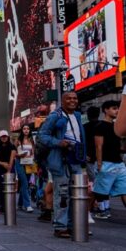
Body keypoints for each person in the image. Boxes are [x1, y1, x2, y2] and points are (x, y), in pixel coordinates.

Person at [37, 92, 87, 238]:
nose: (72, 100)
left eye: (75, 98)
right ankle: (60, 226)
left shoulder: (77, 115)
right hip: (60, 160)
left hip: (76, 159)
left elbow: (79, 136)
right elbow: (42, 135)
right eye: (69, 98)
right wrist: (58, 142)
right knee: (62, 194)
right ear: (63, 101)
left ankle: (72, 224)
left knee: (76, 193)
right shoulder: (55, 116)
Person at [92, 100, 126, 218]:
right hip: (106, 162)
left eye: (117, 108)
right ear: (106, 110)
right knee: (102, 189)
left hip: (119, 163)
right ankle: (103, 211)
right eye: (114, 108)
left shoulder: (117, 126)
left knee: (124, 188)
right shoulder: (100, 126)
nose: (117, 110)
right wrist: (100, 163)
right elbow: (98, 146)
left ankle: (104, 210)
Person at [0, 130, 17, 214]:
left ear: (8, 137)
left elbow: (12, 158)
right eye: (2, 136)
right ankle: (2, 206)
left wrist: (9, 169)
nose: (4, 138)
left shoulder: (12, 146)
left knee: (10, 188)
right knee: (1, 188)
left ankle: (10, 206)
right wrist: (2, 164)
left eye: (5, 136)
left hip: (9, 167)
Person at [15, 124, 35, 212]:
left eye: (28, 128)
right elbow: (13, 153)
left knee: (24, 184)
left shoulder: (32, 140)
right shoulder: (18, 140)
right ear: (22, 130)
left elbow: (34, 152)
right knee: (25, 183)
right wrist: (19, 155)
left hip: (29, 164)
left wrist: (33, 159)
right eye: (24, 128)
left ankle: (19, 204)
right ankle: (28, 205)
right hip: (19, 163)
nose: (26, 130)